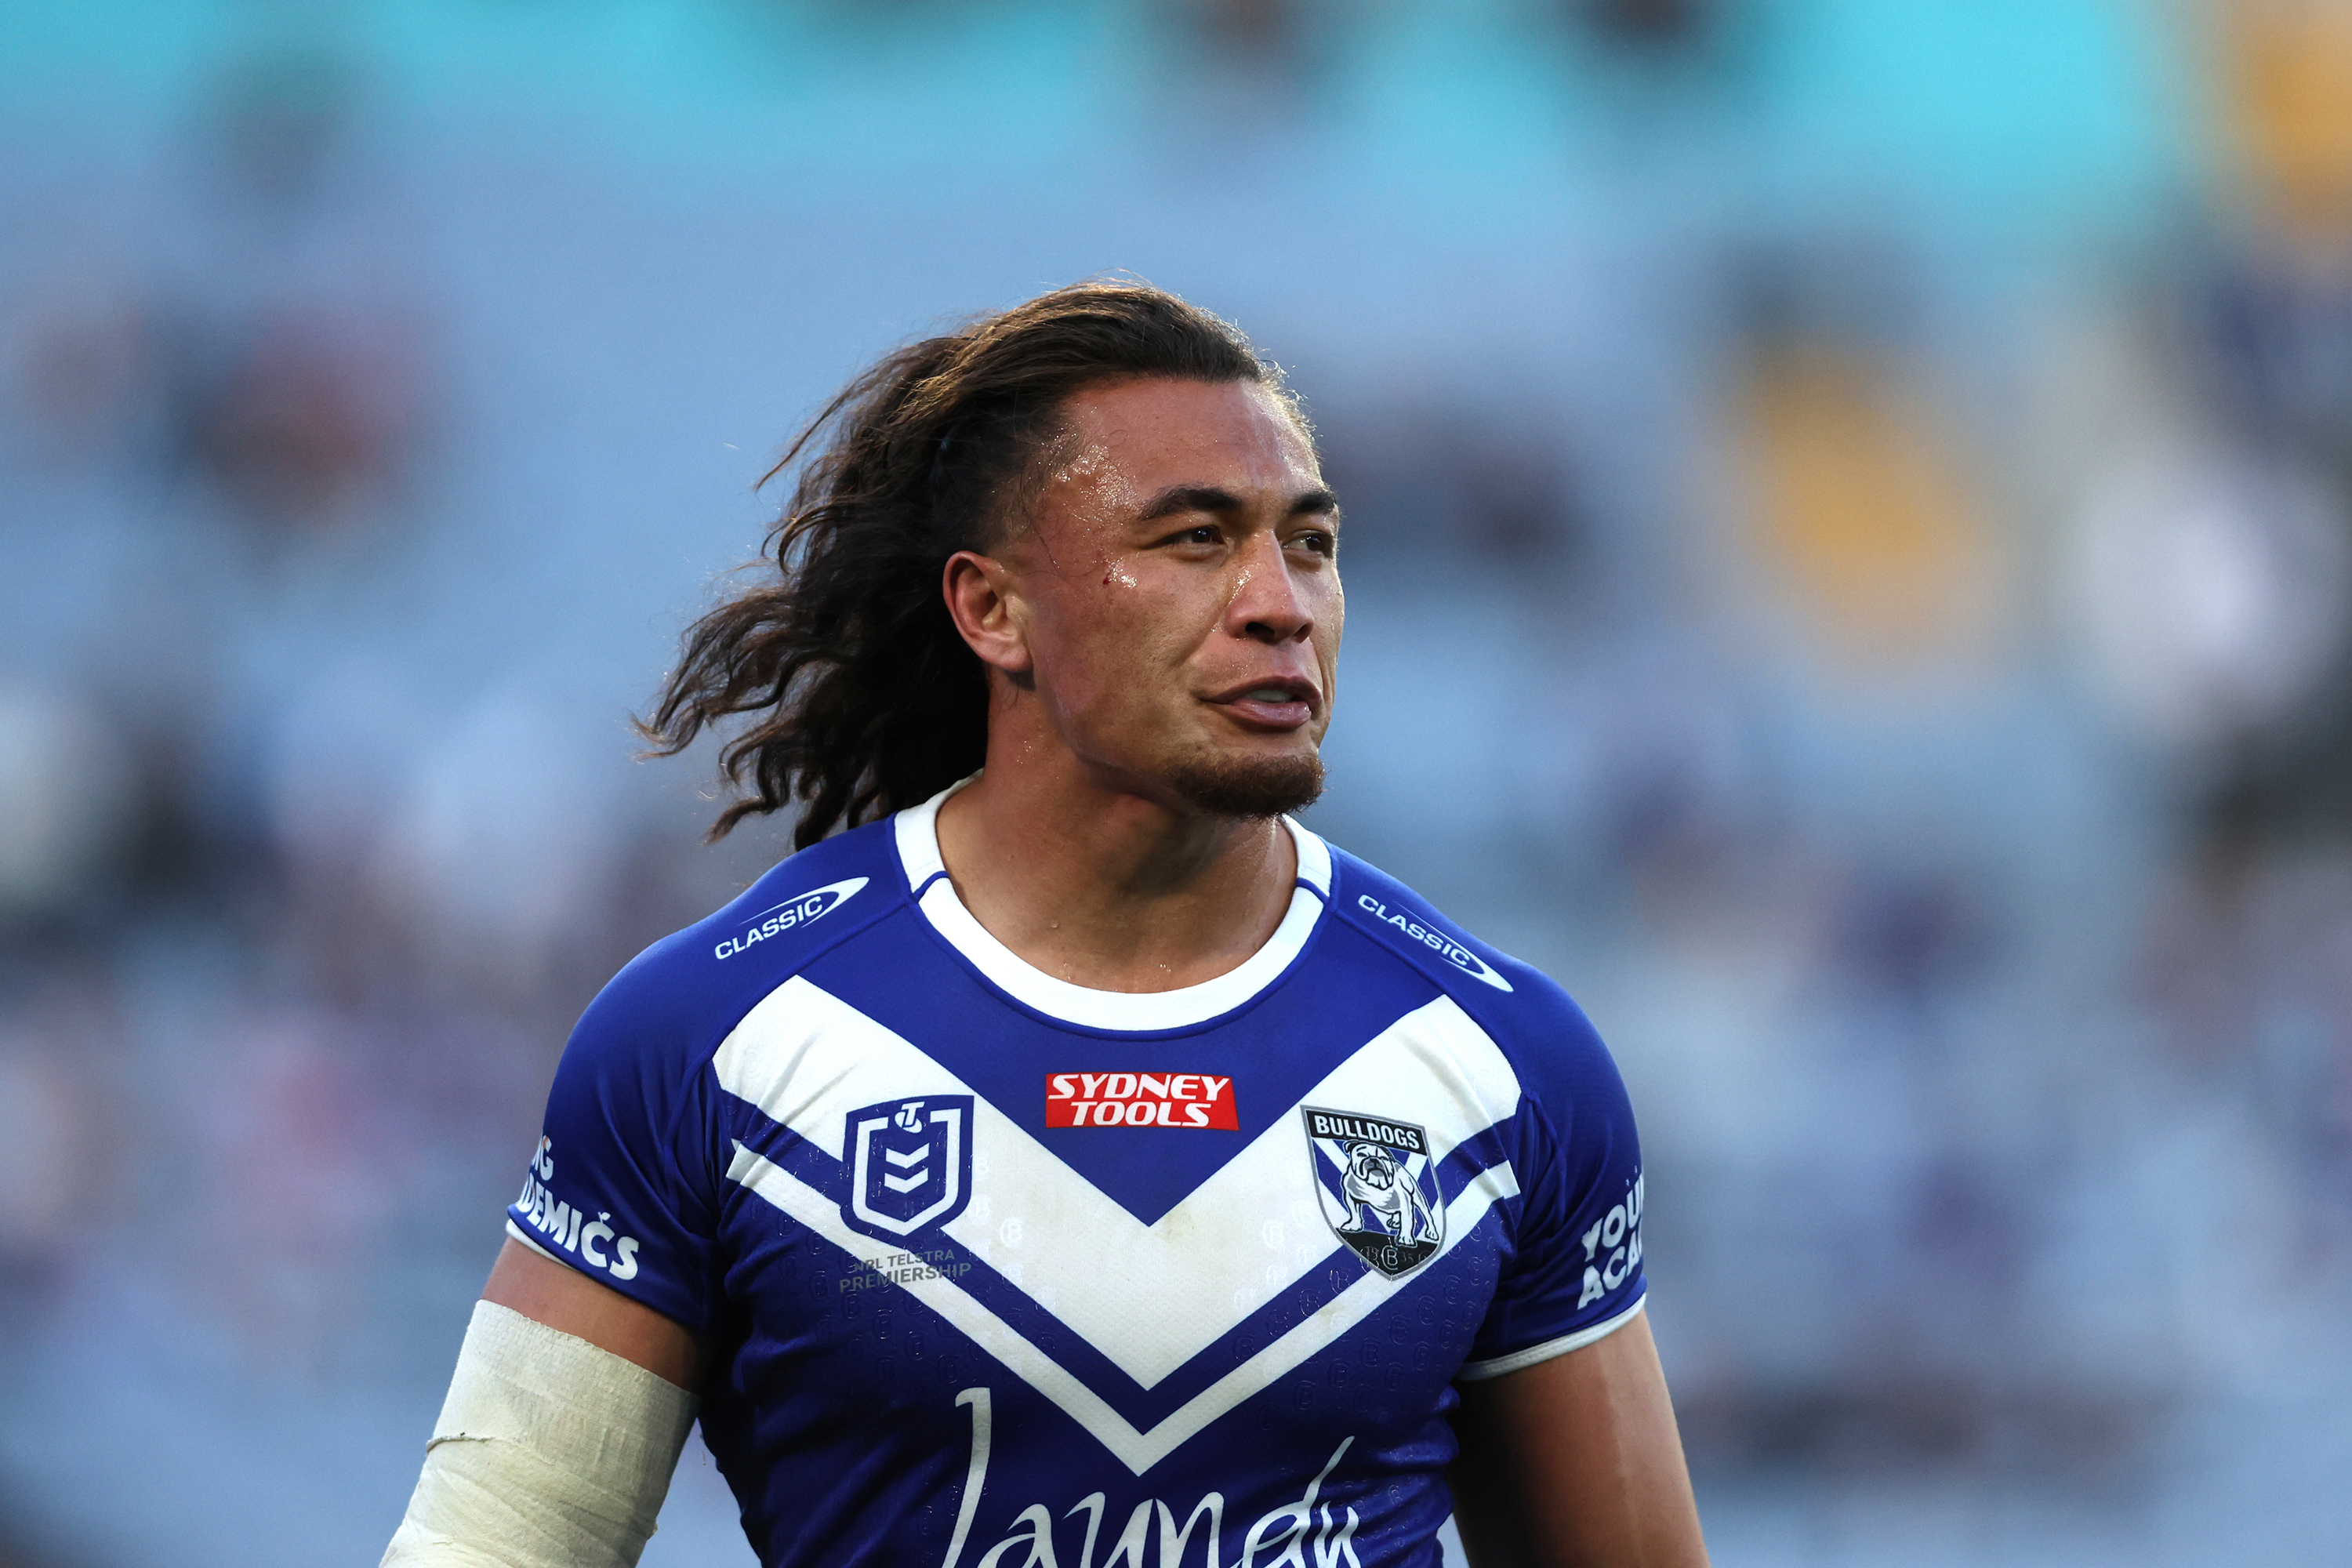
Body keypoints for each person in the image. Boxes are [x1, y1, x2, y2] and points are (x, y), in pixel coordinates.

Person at [381, 281, 1708, 1568]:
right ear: (993, 609)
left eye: (1309, 543)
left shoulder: (1499, 1062)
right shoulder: (712, 1040)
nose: (1280, 603)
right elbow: (490, 1545)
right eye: (1195, 539)